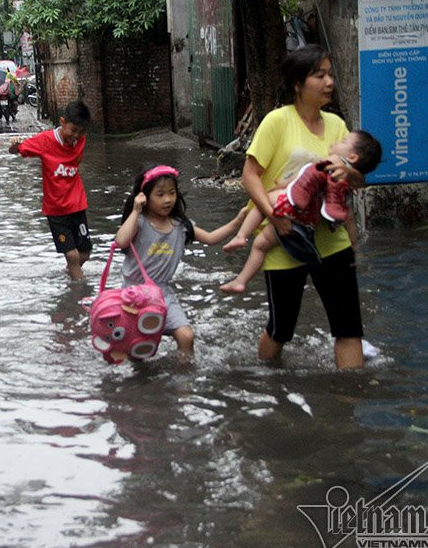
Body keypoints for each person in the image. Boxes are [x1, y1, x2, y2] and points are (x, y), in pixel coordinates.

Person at [238, 44, 368, 370]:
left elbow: (356, 181)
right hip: (286, 238)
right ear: (297, 83)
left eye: (330, 74)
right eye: (319, 75)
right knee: (282, 329)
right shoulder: (276, 122)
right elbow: (249, 177)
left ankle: (350, 402)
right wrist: (273, 218)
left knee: (348, 326)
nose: (329, 82)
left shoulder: (337, 126)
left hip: (332, 240)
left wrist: (351, 174)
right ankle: (268, 384)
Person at [220, 130, 382, 294]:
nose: (337, 141)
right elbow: (348, 218)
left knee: (263, 201)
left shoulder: (334, 162)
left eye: (344, 141)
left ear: (352, 157)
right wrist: (353, 243)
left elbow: (303, 177)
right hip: (307, 222)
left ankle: (241, 237)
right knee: (261, 245)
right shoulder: (346, 188)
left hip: (294, 205)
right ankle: (240, 281)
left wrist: (282, 185)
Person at [115, 165, 246, 359]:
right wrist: (135, 211)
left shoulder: (180, 226)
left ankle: (183, 383)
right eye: (160, 194)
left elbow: (210, 238)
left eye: (171, 193)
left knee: (186, 336)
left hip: (163, 293)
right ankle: (141, 385)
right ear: (145, 196)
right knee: (138, 349)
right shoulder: (140, 222)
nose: (167, 199)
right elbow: (121, 241)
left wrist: (238, 221)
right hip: (134, 295)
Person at [9, 100, 92, 280]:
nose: (75, 136)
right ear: (62, 122)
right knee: (72, 255)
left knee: (84, 254)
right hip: (56, 209)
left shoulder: (80, 141)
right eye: (73, 131)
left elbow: (77, 162)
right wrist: (14, 145)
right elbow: (15, 150)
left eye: (80, 132)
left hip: (77, 205)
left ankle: (69, 276)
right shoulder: (45, 140)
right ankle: (81, 296)